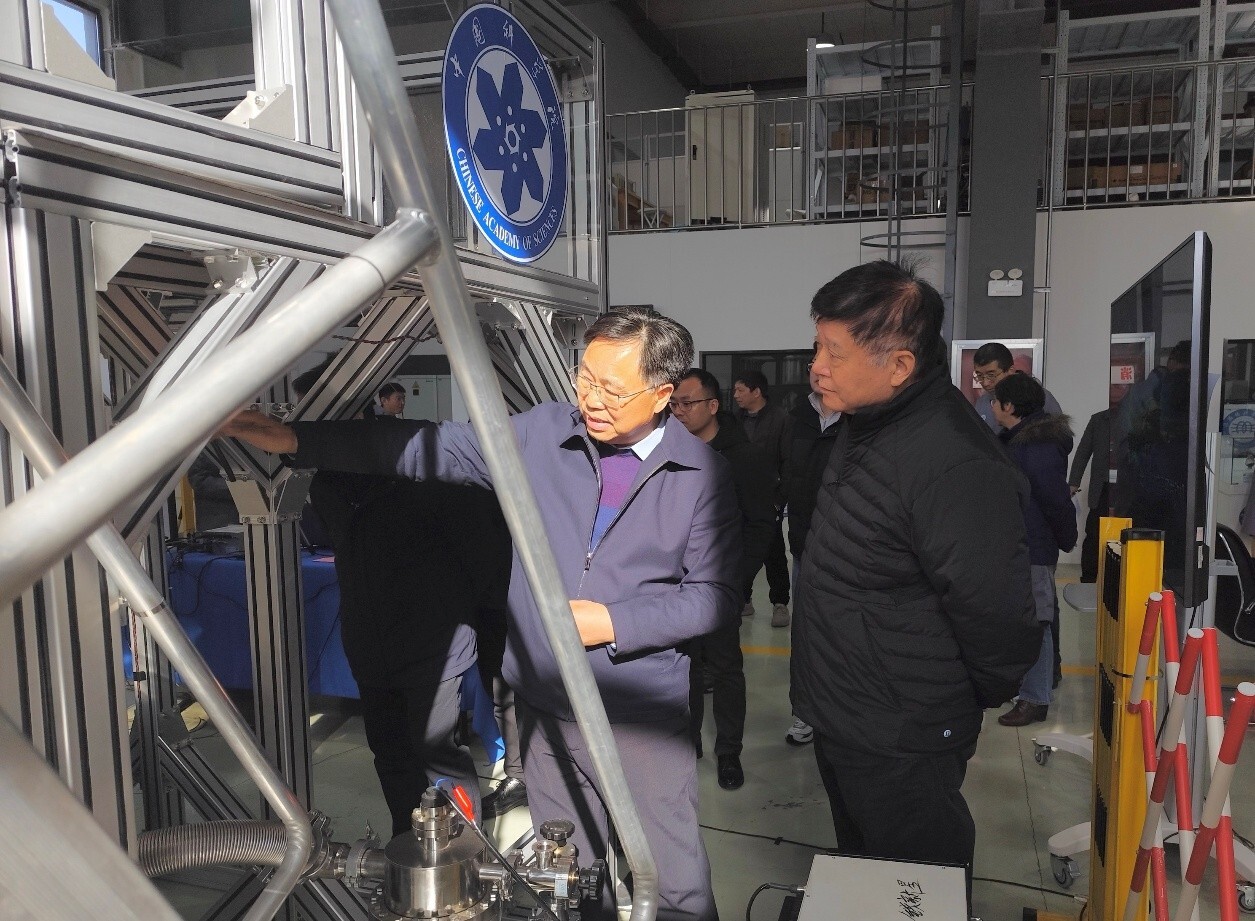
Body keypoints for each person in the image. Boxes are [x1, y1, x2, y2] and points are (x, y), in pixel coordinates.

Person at [223, 307, 740, 921]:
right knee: (568, 875)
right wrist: (295, 440)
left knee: (674, 879)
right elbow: (432, 446)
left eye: (611, 388)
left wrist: (612, 623)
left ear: (661, 394)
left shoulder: (700, 474)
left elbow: (714, 595)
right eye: (584, 378)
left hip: (638, 711)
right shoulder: (545, 435)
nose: (590, 399)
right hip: (546, 705)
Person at [791, 260, 1040, 878]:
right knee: (864, 870)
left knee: (916, 885)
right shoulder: (868, 423)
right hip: (846, 708)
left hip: (903, 727)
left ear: (900, 366)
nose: (817, 367)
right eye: (818, 346)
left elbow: (995, 612)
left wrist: (950, 702)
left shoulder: (954, 461)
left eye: (835, 353)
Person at [289, 364, 505, 835]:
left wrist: (471, 618)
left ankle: (467, 850)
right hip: (371, 640)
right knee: (388, 753)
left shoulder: (417, 460)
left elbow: (482, 547)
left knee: (437, 753)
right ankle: (408, 842)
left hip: (433, 640)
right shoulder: (323, 476)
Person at [671, 368, 776, 791]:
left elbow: (760, 525)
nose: (678, 411)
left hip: (720, 585)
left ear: (713, 406)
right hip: (674, 585)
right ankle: (688, 743)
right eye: (673, 404)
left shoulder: (742, 457)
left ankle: (729, 751)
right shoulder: (667, 452)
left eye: (687, 403)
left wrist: (737, 579)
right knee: (685, 666)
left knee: (726, 667)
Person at [990, 374, 1078, 726]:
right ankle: (1026, 688)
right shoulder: (1017, 440)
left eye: (995, 401)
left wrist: (1066, 538)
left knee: (1037, 620)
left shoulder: (1036, 447)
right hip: (1018, 544)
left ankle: (1035, 698)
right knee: (1024, 618)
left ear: (1009, 407)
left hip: (1033, 546)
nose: (991, 407)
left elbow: (1055, 499)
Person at [779, 357, 842, 747]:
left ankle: (841, 715)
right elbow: (785, 471)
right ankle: (805, 713)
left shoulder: (859, 418)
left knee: (843, 633)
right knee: (804, 633)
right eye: (815, 369)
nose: (820, 374)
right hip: (804, 541)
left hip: (847, 546)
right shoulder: (797, 417)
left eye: (829, 367)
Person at [731, 370, 792, 626]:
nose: (735, 395)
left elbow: (788, 461)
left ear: (756, 392)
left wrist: (779, 499)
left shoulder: (781, 419)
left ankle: (780, 603)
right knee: (741, 551)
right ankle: (744, 599)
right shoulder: (735, 420)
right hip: (740, 499)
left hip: (768, 498)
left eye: (740, 390)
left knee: (773, 552)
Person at [972, 342, 1062, 432]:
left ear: (1011, 371)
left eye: (991, 375)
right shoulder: (982, 401)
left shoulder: (1038, 397)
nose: (985, 383)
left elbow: (1059, 434)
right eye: (979, 376)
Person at [1068, 407, 1111, 584]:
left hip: (1128, 489)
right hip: (1103, 488)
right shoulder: (1099, 420)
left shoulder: (1136, 417)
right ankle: (1088, 578)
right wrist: (1073, 482)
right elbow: (1083, 452)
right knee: (1094, 533)